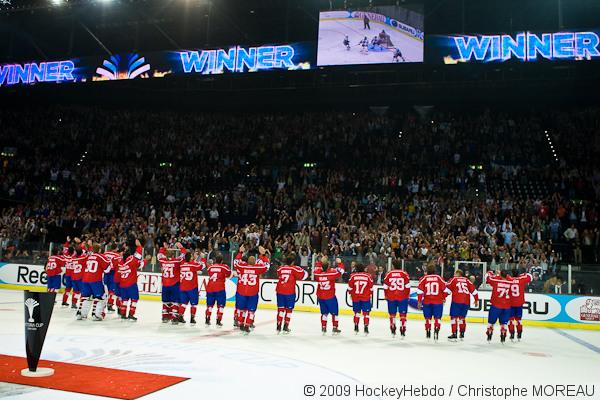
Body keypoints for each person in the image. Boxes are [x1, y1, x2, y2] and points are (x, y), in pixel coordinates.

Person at [235, 247, 270, 333]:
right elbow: (267, 266)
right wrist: (263, 255)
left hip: (241, 292)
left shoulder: (241, 267)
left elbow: (236, 262)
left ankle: (241, 324)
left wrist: (240, 252)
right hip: (253, 293)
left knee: (241, 310)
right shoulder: (257, 268)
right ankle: (247, 325)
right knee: (251, 311)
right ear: (255, 262)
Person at [275, 253, 308, 333]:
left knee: (280, 309)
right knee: (289, 310)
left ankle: (278, 325)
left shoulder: (280, 268)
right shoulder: (295, 269)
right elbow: (304, 276)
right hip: (290, 292)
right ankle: (286, 326)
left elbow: (278, 273)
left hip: (280, 291)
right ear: (293, 262)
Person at [416, 263, 449, 340]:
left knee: (427, 318)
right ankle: (436, 331)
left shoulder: (423, 278)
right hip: (438, 302)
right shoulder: (439, 278)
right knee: (437, 318)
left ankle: (428, 331)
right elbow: (446, 290)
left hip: (427, 301)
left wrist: (419, 301)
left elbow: (419, 291)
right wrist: (443, 297)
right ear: (435, 270)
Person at [78, 243, 110, 321]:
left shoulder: (89, 257)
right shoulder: (101, 256)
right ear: (99, 250)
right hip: (96, 279)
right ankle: (96, 314)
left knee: (85, 297)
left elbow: (80, 262)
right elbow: (107, 269)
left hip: (85, 279)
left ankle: (81, 314)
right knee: (100, 297)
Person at [158, 242, 187, 323]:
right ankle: (174, 317)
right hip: (174, 284)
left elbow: (159, 255)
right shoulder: (177, 261)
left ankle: (164, 317)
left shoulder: (162, 261)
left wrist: (163, 248)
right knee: (175, 301)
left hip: (165, 284)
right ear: (174, 255)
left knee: (166, 301)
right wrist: (181, 247)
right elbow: (183, 255)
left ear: (166, 255)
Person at [446, 269, 479, 341]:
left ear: (458, 273)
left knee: (453, 317)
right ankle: (462, 333)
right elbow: (474, 291)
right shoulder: (467, 280)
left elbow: (447, 289)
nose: (454, 274)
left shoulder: (454, 279)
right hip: (466, 302)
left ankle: (454, 333)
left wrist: (443, 297)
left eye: (455, 273)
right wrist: (476, 300)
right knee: (462, 318)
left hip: (456, 301)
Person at [314, 260, 344, 334]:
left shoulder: (318, 274)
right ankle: (335, 327)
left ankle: (323, 327)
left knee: (324, 313)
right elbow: (341, 271)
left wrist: (320, 262)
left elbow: (316, 268)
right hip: (330, 297)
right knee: (335, 313)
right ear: (328, 267)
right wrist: (340, 263)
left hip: (321, 297)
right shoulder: (331, 274)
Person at [118, 242, 146, 321]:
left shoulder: (120, 262)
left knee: (125, 300)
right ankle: (131, 315)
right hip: (131, 284)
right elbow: (140, 264)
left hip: (123, 284)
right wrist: (140, 246)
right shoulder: (131, 261)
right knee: (134, 300)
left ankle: (123, 314)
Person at [383, 259, 410, 337]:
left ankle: (392, 327)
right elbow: (408, 286)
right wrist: (407, 294)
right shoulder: (404, 274)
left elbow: (385, 286)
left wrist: (386, 295)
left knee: (392, 314)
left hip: (391, 296)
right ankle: (403, 328)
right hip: (402, 297)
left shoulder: (389, 274)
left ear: (393, 266)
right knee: (403, 314)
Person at [485, 269, 513, 343]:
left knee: (491, 322)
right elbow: (511, 279)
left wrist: (492, 272)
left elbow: (487, 277)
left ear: (500, 275)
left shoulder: (496, 280)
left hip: (496, 305)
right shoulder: (511, 281)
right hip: (507, 306)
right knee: (504, 323)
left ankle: (489, 334)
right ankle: (503, 335)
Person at [178, 251, 204, 324]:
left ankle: (180, 316)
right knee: (194, 304)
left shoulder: (182, 265)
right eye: (192, 256)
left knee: (183, 303)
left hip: (183, 287)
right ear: (190, 258)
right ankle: (192, 318)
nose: (193, 257)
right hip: (192, 287)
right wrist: (201, 258)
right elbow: (201, 266)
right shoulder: (193, 265)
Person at [205, 252, 231, 326]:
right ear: (222, 261)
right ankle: (218, 320)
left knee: (209, 305)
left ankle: (207, 318)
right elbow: (229, 273)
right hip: (219, 288)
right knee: (221, 305)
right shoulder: (224, 267)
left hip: (210, 288)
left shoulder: (210, 267)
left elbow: (209, 272)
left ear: (215, 260)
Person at [347, 263, 374, 334]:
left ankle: (356, 326)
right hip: (365, 297)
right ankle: (366, 327)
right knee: (366, 313)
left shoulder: (353, 276)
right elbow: (371, 287)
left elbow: (349, 287)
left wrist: (350, 294)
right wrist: (370, 294)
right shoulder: (368, 276)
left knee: (357, 313)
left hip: (355, 297)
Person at [509, 269, 533, 341]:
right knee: (519, 320)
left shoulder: (509, 279)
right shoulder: (521, 279)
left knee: (511, 320)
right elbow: (530, 276)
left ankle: (512, 334)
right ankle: (519, 334)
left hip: (511, 303)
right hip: (519, 303)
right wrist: (523, 274)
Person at [103, 243, 122, 313]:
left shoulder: (105, 253)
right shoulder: (117, 255)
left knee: (105, 290)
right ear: (116, 248)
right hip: (112, 274)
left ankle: (103, 304)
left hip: (105, 273)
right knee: (111, 290)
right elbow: (118, 266)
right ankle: (110, 304)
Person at [70, 245, 87, 311]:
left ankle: (74, 302)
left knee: (75, 291)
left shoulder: (73, 258)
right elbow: (88, 255)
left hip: (74, 277)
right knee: (83, 291)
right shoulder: (83, 258)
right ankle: (81, 304)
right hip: (80, 277)